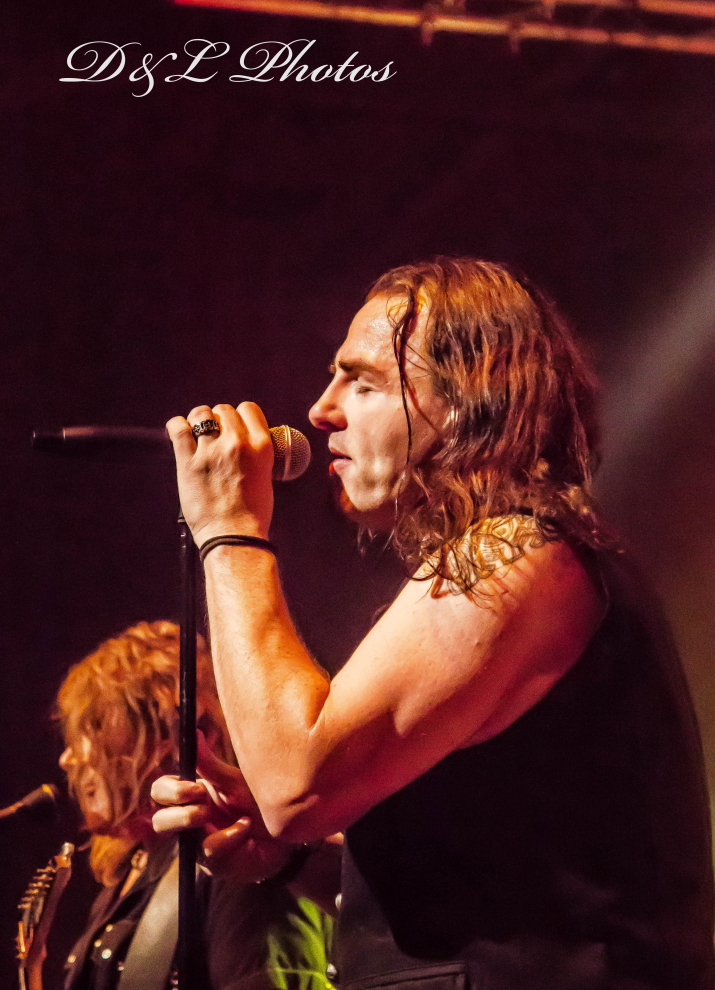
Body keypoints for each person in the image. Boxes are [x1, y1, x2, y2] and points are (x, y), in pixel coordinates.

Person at [152, 257, 715, 988]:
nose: (321, 410)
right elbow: (484, 884)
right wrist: (291, 860)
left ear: (466, 401)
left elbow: (294, 784)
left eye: (363, 382)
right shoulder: (510, 558)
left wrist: (229, 531)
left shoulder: (517, 552)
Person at [55, 620, 338, 990]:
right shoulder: (129, 875)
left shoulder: (241, 862)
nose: (67, 758)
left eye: (92, 728)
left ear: (173, 736)